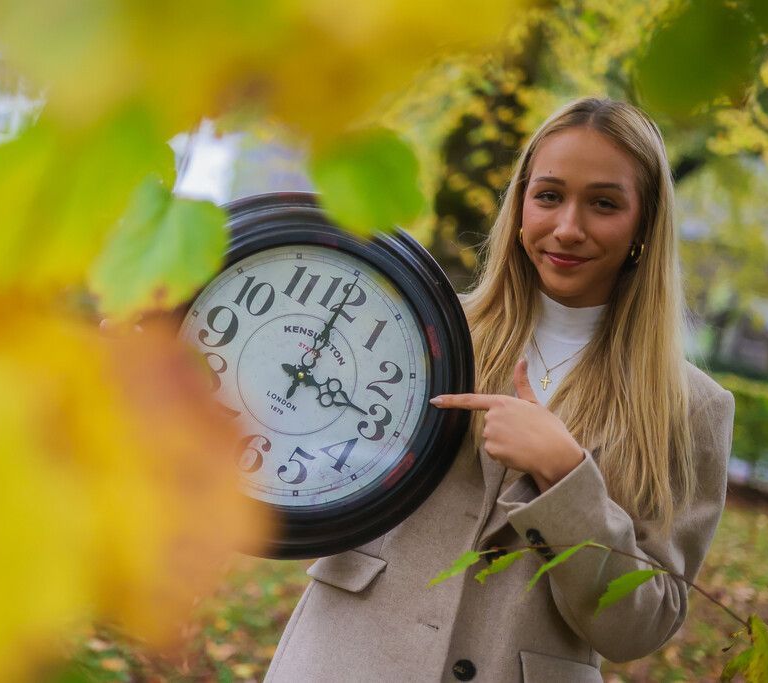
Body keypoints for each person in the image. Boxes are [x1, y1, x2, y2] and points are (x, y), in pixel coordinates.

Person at [264, 97, 735, 682]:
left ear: (645, 225)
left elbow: (639, 628)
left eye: (605, 204)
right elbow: (291, 440)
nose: (567, 227)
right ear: (519, 206)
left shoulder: (691, 409)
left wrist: (565, 476)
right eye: (548, 195)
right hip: (348, 659)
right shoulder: (421, 330)